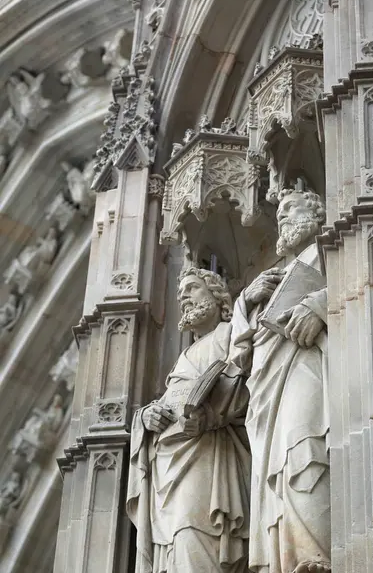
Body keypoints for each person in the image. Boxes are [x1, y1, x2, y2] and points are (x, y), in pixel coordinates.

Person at [127, 267, 256, 573]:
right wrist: (146, 416)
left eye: (193, 288)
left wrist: (208, 414)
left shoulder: (230, 333)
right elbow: (172, 398)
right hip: (170, 468)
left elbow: (248, 379)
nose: (183, 296)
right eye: (181, 291)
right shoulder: (185, 355)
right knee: (177, 543)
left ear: (218, 297)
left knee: (192, 533)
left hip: (209, 459)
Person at [232, 188, 330, 573]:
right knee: (281, 467)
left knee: (304, 446)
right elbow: (238, 356)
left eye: (292, 209)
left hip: (310, 365)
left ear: (317, 213)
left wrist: (318, 306)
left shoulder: (334, 246)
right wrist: (246, 301)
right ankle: (290, 556)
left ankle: (316, 554)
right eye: (280, 213)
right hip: (267, 385)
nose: (284, 218)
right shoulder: (272, 278)